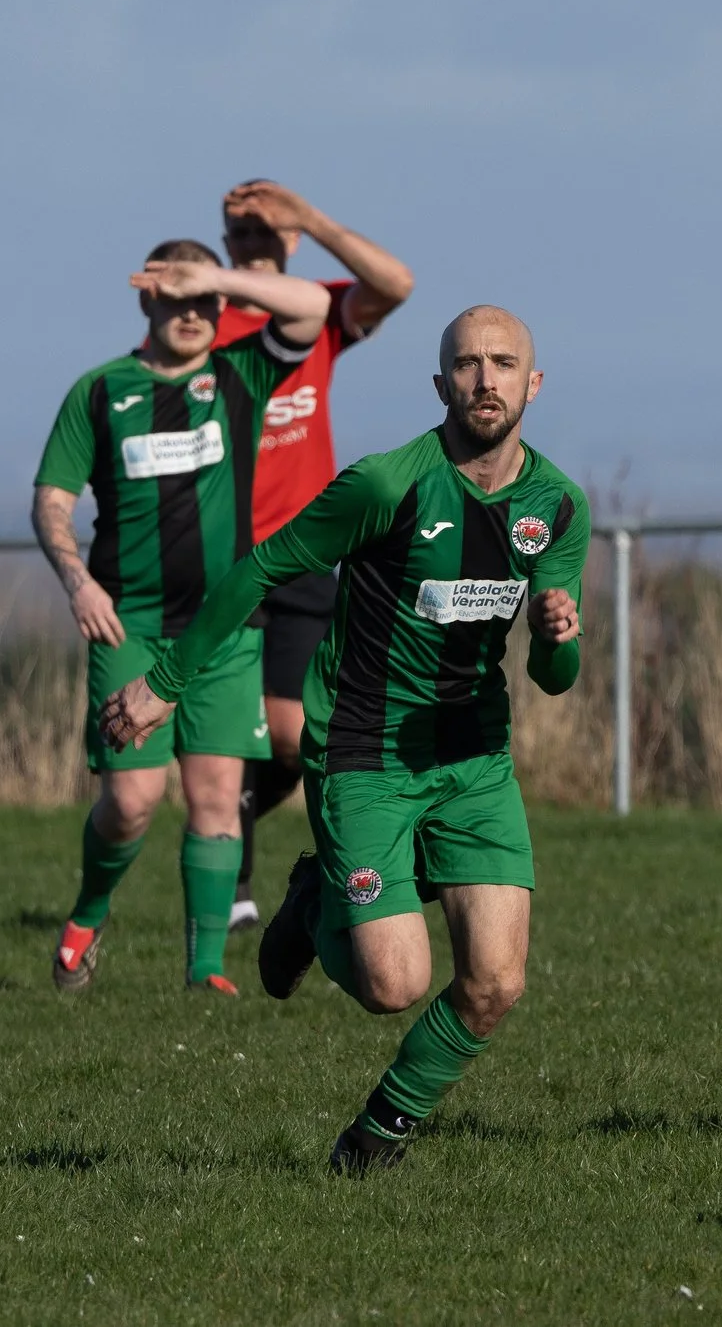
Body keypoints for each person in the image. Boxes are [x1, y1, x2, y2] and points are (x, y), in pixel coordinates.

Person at [99, 306, 587, 1175]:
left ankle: (376, 1138)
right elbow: (260, 569)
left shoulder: (556, 505)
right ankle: (316, 898)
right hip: (365, 748)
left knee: (496, 985)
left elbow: (556, 674)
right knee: (393, 987)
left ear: (533, 383)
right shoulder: (386, 485)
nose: (485, 379)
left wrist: (555, 637)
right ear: (441, 386)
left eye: (504, 362)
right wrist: (165, 683)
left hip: (473, 758)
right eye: (467, 364)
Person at [32, 242, 330, 995]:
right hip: (126, 624)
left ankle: (204, 975)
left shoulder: (239, 376)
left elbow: (316, 309)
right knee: (132, 801)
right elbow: (52, 503)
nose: (193, 314)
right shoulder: (100, 392)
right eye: (177, 296)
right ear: (147, 300)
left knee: (217, 799)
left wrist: (221, 280)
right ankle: (90, 911)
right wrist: (77, 584)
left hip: (224, 632)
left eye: (204, 302)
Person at [211, 179, 417, 930]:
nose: (257, 241)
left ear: (290, 239)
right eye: (242, 232)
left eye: (270, 231)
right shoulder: (208, 320)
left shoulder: (318, 314)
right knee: (234, 728)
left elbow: (396, 283)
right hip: (226, 561)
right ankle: (229, 887)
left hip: (302, 558)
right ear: (225, 246)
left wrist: (312, 217)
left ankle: (225, 821)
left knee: (298, 742)